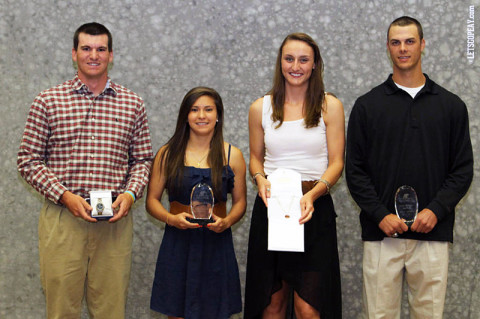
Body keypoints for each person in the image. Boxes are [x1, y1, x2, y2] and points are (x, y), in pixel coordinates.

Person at [17, 22, 153, 318]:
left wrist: (130, 194)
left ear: (111, 55)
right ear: (74, 53)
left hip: (115, 221)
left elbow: (143, 161)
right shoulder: (48, 101)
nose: (94, 55)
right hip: (64, 219)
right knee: (61, 309)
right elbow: (28, 160)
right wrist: (64, 195)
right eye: (87, 48)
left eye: (101, 49)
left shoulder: (133, 104)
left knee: (110, 309)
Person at [345, 16, 474, 318]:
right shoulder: (367, 106)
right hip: (382, 234)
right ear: (388, 48)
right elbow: (355, 171)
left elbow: (462, 169)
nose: (403, 48)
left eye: (410, 41)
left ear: (423, 45)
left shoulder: (452, 106)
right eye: (396, 42)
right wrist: (380, 215)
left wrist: (436, 210)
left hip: (433, 232)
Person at [244, 33, 344, 319]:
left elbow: (337, 162)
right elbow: (255, 158)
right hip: (271, 208)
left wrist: (313, 194)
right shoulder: (259, 108)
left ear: (315, 65)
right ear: (280, 63)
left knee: (309, 309)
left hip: (313, 209)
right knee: (271, 306)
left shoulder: (330, 106)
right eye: (289, 59)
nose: (295, 66)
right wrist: (260, 179)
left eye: (303, 59)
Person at [146, 87, 247, 319]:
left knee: (215, 312)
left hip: (216, 243)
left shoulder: (233, 155)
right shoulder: (167, 153)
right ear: (185, 115)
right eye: (194, 110)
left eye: (208, 109)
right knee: (177, 313)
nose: (201, 116)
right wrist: (171, 219)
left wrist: (228, 221)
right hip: (178, 242)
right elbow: (151, 201)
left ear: (218, 115)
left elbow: (240, 202)